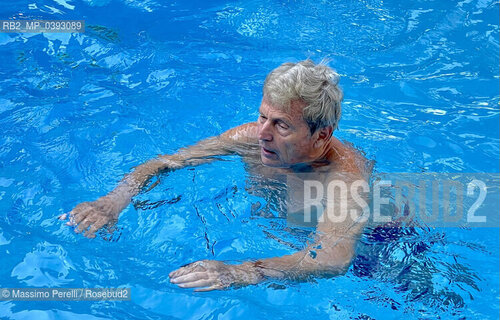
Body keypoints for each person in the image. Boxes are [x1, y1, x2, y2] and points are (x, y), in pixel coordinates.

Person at [60, 59, 371, 291]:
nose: (262, 133)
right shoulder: (249, 140)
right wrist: (114, 201)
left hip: (374, 250)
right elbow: (167, 163)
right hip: (281, 234)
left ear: (321, 136)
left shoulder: (345, 175)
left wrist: (242, 272)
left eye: (281, 125)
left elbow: (334, 258)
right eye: (262, 116)